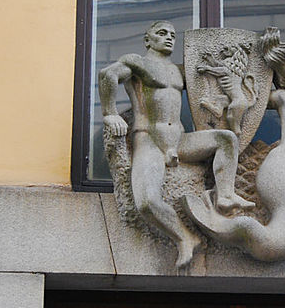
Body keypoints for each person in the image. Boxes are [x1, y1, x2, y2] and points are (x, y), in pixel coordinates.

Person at [99, 21, 254, 269]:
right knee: (146, 202)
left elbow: (216, 76)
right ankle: (184, 237)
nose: (169, 38)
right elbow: (108, 75)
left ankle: (225, 195)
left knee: (226, 138)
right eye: (162, 33)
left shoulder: (180, 71)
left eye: (172, 34)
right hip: (149, 138)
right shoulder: (137, 62)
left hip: (180, 140)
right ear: (147, 40)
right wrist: (110, 113)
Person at [184, 27, 285, 261]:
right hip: (284, 160)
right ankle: (222, 222)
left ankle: (233, 226)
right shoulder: (282, 97)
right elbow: (253, 102)